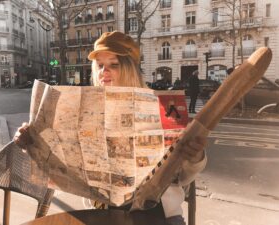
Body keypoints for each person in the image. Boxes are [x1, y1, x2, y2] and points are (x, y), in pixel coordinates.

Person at [14, 31, 207, 225]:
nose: (103, 72)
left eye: (114, 65)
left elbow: (182, 178)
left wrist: (195, 156)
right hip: (101, 215)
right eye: (99, 65)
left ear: (130, 68)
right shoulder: (85, 112)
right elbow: (64, 167)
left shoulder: (164, 108)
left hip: (160, 216)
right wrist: (32, 142)